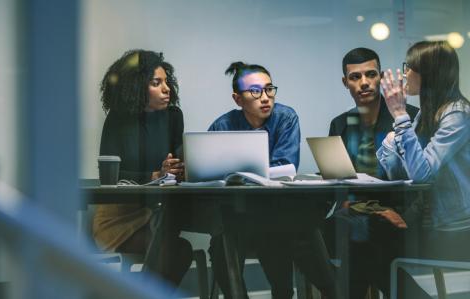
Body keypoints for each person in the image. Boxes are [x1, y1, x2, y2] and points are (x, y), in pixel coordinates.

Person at [92, 50, 193, 287]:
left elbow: (176, 162)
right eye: (157, 83)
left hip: (159, 211)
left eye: (167, 82)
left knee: (176, 244)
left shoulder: (174, 116)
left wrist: (177, 167)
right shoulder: (117, 119)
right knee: (174, 249)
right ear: (137, 87)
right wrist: (155, 175)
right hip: (119, 217)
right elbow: (108, 176)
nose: (167, 88)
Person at [378, 40, 470, 298]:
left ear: (429, 73)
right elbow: (397, 173)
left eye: (410, 67)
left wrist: (398, 115)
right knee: (366, 245)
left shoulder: (458, 115)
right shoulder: (426, 113)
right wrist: (391, 140)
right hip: (429, 220)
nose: (405, 73)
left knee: (374, 253)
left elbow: (421, 174)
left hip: (457, 229)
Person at [325, 47, 419, 298]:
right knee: (309, 235)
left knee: (363, 245)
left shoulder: (407, 117)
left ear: (380, 77)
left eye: (370, 74)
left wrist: (395, 212)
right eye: (355, 77)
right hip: (356, 216)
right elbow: (336, 180)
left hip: (399, 215)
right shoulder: (340, 124)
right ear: (345, 83)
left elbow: (422, 176)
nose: (364, 82)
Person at [207, 61, 303, 299]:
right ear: (238, 99)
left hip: (273, 213)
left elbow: (286, 166)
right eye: (255, 91)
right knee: (220, 245)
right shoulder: (222, 125)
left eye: (269, 89)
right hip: (233, 215)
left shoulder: (285, 118)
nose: (265, 98)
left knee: (277, 236)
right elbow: (207, 170)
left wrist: (239, 174)